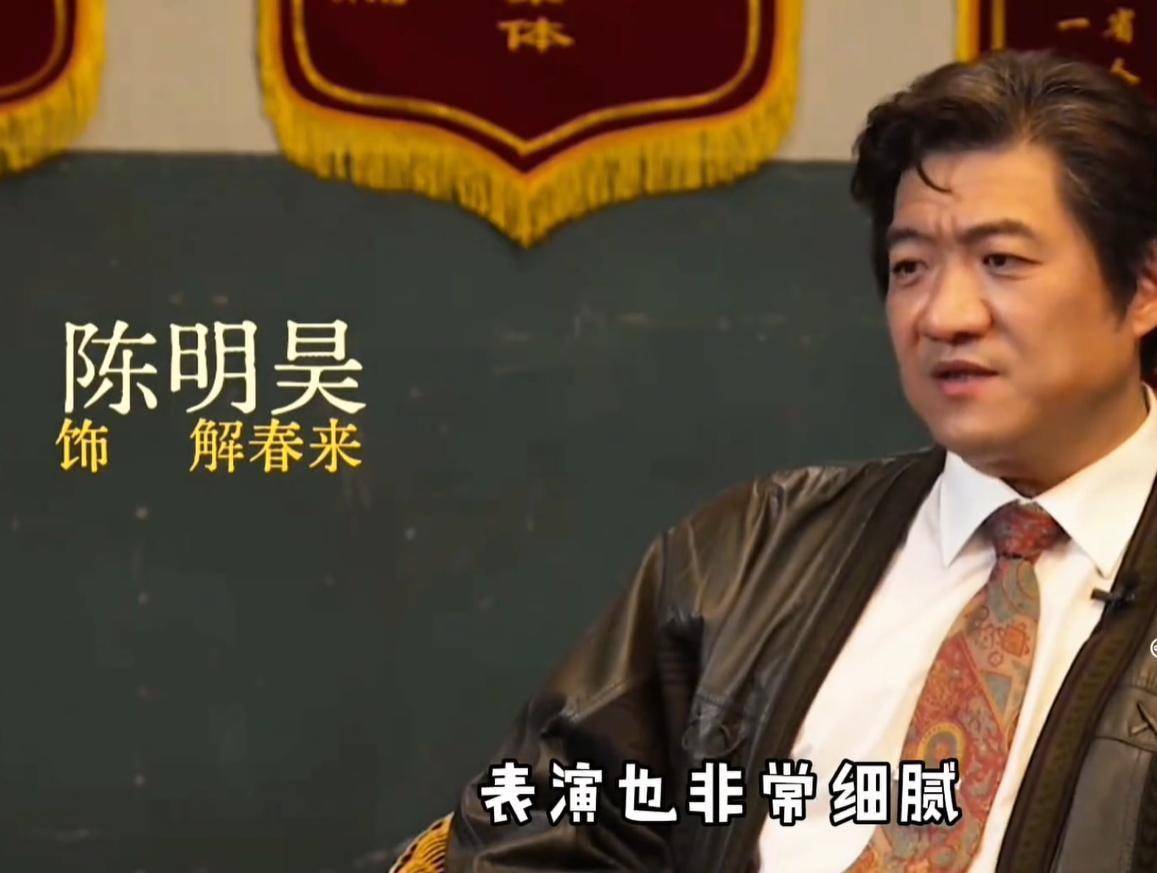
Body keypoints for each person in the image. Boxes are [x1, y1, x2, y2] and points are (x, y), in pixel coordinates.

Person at [436, 50, 1157, 872]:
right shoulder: (752, 554)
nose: (943, 315)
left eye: (1001, 261)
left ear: (1141, 285)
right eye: (909, 267)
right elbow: (538, 832)